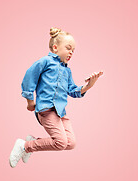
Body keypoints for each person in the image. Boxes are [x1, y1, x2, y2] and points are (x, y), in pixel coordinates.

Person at [9, 27, 103, 168]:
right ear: (55, 47)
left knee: (70, 143)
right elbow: (29, 77)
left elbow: (72, 90)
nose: (71, 52)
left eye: (74, 50)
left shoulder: (67, 70)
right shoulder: (45, 61)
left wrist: (89, 85)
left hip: (60, 112)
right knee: (60, 143)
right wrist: (30, 101)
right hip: (46, 110)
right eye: (68, 48)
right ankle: (24, 146)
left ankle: (32, 142)